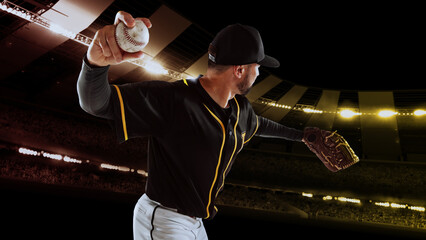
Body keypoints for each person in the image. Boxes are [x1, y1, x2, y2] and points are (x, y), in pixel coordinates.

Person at [77, 11, 305, 240]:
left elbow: (261, 125)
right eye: (257, 66)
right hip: (164, 219)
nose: (258, 73)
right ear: (239, 70)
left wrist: (304, 136)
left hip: (195, 224)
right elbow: (97, 104)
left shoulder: (241, 109)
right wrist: (94, 65)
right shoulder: (174, 99)